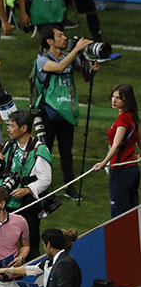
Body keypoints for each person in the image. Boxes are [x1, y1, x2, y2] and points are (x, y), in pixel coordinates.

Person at [33, 26, 97, 200]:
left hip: (67, 111)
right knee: (45, 152)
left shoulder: (68, 58)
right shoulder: (42, 60)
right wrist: (76, 49)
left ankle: (69, 187)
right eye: (60, 35)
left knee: (66, 152)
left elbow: (85, 76)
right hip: (48, 112)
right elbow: (60, 67)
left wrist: (91, 68)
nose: (65, 38)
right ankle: (43, 189)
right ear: (49, 41)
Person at [0, 111, 52, 259]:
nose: (8, 129)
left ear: (24, 128)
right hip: (8, 203)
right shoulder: (10, 145)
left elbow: (45, 179)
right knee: (6, 243)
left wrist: (26, 190)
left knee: (30, 245)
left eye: (12, 126)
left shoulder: (39, 149)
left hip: (27, 206)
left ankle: (33, 276)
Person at [93, 84, 141, 217]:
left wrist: (103, 164)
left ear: (127, 101)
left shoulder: (123, 119)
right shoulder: (132, 116)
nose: (114, 100)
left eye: (119, 98)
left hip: (121, 171)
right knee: (133, 212)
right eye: (113, 97)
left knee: (119, 216)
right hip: (133, 170)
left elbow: (116, 145)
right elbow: (138, 139)